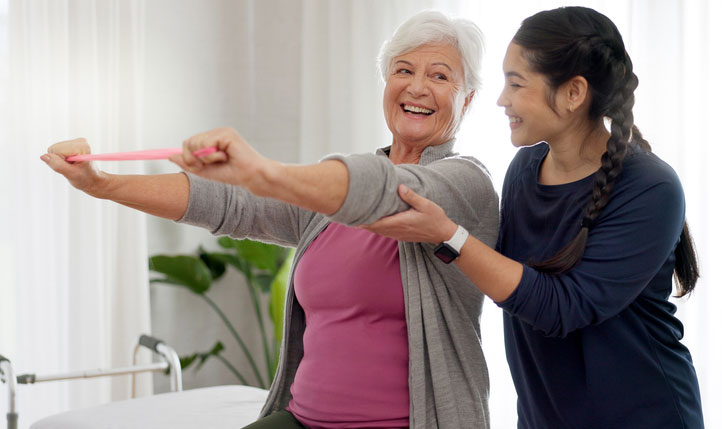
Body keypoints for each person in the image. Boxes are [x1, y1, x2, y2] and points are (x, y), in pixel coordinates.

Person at [41, 11, 499, 429]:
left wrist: (263, 171)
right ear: (385, 84)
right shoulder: (329, 190)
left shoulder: (463, 183)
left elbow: (386, 193)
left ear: (468, 99)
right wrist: (101, 183)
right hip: (300, 421)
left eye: (440, 76)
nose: (417, 87)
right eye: (404, 70)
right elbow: (231, 204)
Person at [364, 6, 704, 428]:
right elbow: (503, 277)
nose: (502, 99)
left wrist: (448, 235)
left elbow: (562, 307)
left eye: (516, 83)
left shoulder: (652, 188)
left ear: (573, 93)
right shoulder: (525, 169)